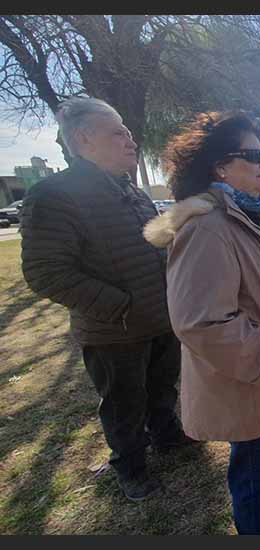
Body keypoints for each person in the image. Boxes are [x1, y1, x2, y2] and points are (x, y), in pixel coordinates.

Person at [143, 111, 260, 534]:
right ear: (220, 166)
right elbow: (201, 322)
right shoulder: (207, 227)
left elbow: (257, 277)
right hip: (255, 382)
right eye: (255, 154)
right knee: (255, 472)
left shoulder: (242, 214)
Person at [20, 98, 191, 502]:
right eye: (118, 132)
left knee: (161, 385)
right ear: (84, 139)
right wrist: (120, 305)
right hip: (115, 329)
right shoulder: (53, 194)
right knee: (123, 403)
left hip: (161, 317)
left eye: (128, 132)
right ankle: (131, 468)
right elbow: (46, 273)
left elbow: (155, 245)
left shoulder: (131, 191)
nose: (130, 140)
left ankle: (166, 434)